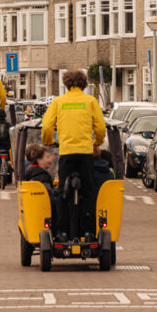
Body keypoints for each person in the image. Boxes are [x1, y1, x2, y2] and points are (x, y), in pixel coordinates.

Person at [41, 70, 106, 237]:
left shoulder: (59, 102)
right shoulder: (90, 101)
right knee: (89, 191)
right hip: (85, 152)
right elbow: (100, 127)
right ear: (84, 84)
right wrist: (96, 143)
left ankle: (62, 230)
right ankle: (88, 231)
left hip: (67, 152)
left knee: (63, 190)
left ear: (66, 84)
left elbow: (47, 126)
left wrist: (48, 141)